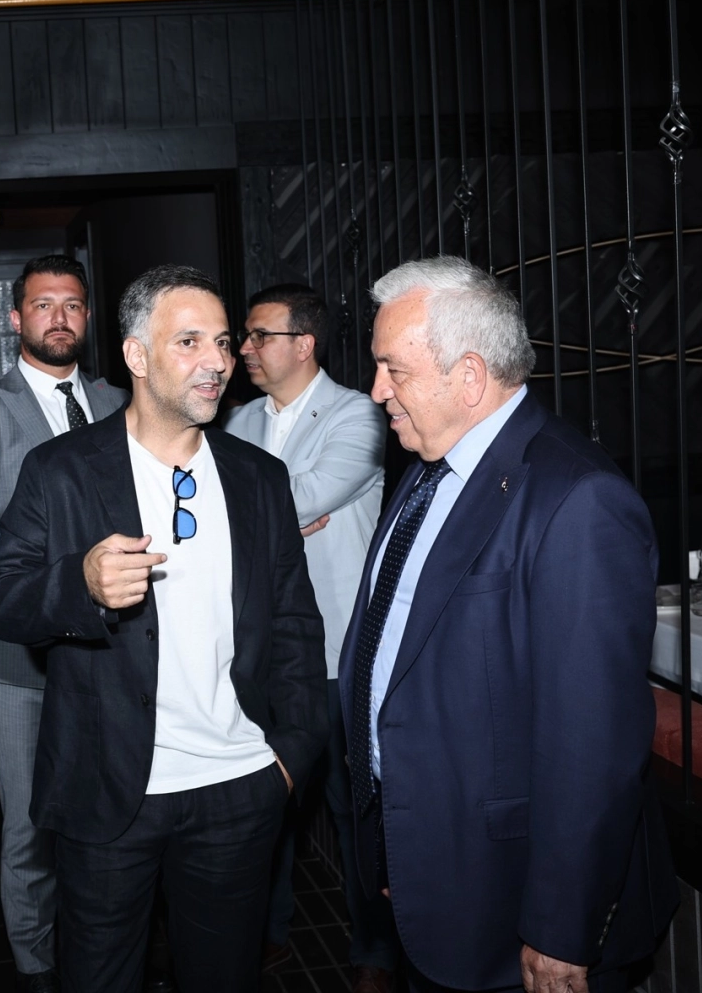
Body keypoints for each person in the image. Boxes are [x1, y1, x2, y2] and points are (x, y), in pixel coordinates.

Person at [0, 265, 326, 993]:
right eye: (189, 342)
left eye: (223, 342)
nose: (217, 362)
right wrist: (79, 584)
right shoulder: (61, 470)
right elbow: (1, 600)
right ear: (136, 355)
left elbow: (295, 624)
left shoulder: (259, 477)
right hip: (110, 791)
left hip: (240, 785)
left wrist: (289, 757)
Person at [339, 257, 676, 993]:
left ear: (468, 376)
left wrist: (560, 927)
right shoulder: (428, 467)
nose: (376, 390)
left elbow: (593, 742)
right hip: (435, 870)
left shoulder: (578, 499)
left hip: (514, 905)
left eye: (394, 369)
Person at [0, 254, 127, 993]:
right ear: (16, 318)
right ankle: (35, 967)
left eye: (72, 304)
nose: (59, 317)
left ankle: (109, 947)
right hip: (20, 657)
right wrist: (67, 576)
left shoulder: (120, 401)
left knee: (118, 807)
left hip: (119, 649)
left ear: (88, 316)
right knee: (29, 824)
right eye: (44, 305)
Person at [221, 283, 392, 990]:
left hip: (338, 649)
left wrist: (266, 509)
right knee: (265, 803)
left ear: (305, 344)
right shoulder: (236, 420)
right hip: (258, 649)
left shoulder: (359, 413)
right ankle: (268, 935)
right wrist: (277, 510)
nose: (244, 350)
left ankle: (375, 952)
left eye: (259, 336)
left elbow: (302, 499)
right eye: (246, 336)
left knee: (355, 808)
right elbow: (223, 505)